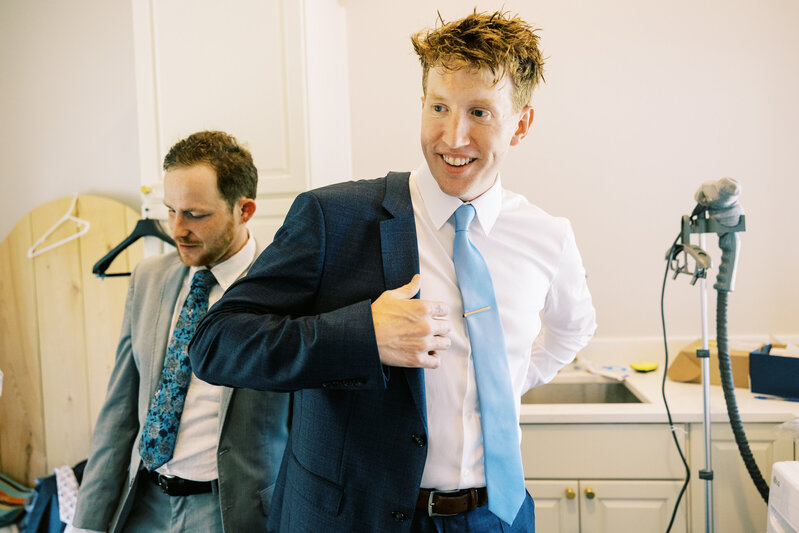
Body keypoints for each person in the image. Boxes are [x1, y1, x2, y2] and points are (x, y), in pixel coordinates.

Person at [189, 10, 596, 533]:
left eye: (479, 112)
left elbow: (574, 329)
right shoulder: (333, 217)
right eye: (439, 107)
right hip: (353, 520)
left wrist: (503, 383)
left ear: (520, 124)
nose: (453, 136)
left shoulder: (549, 237)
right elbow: (216, 343)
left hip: (498, 518)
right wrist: (364, 334)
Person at [68, 131, 290, 533]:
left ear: (245, 210)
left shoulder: (286, 290)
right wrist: (86, 523)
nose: (176, 229)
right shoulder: (148, 279)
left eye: (195, 214)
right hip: (142, 505)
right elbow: (118, 413)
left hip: (228, 512)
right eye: (170, 210)